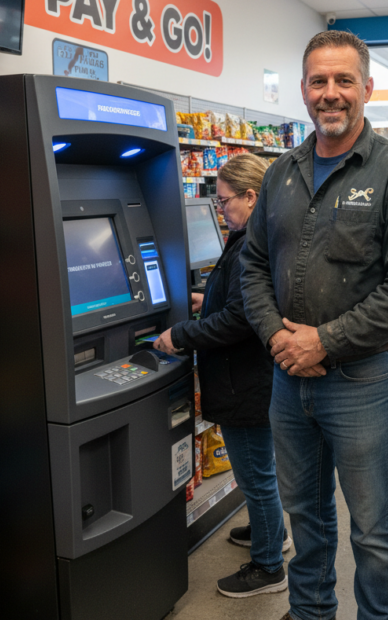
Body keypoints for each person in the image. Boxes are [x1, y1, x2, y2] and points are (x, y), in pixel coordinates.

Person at [240, 31, 388, 620]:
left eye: (344, 80)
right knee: (305, 517)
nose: (331, 94)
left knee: (373, 529)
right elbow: (252, 263)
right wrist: (278, 336)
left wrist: (323, 340)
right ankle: (310, 613)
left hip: (361, 384)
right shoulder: (280, 174)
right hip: (286, 380)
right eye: (319, 82)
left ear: (367, 89)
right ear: (304, 90)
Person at [154, 154, 292, 598]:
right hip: (252, 379)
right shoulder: (254, 235)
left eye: (225, 200)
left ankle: (269, 567)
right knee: (261, 470)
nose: (220, 210)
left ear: (252, 197)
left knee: (256, 474)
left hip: (245, 384)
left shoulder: (252, 241)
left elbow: (240, 319)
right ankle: (272, 534)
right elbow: (237, 301)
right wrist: (203, 299)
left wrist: (180, 335)